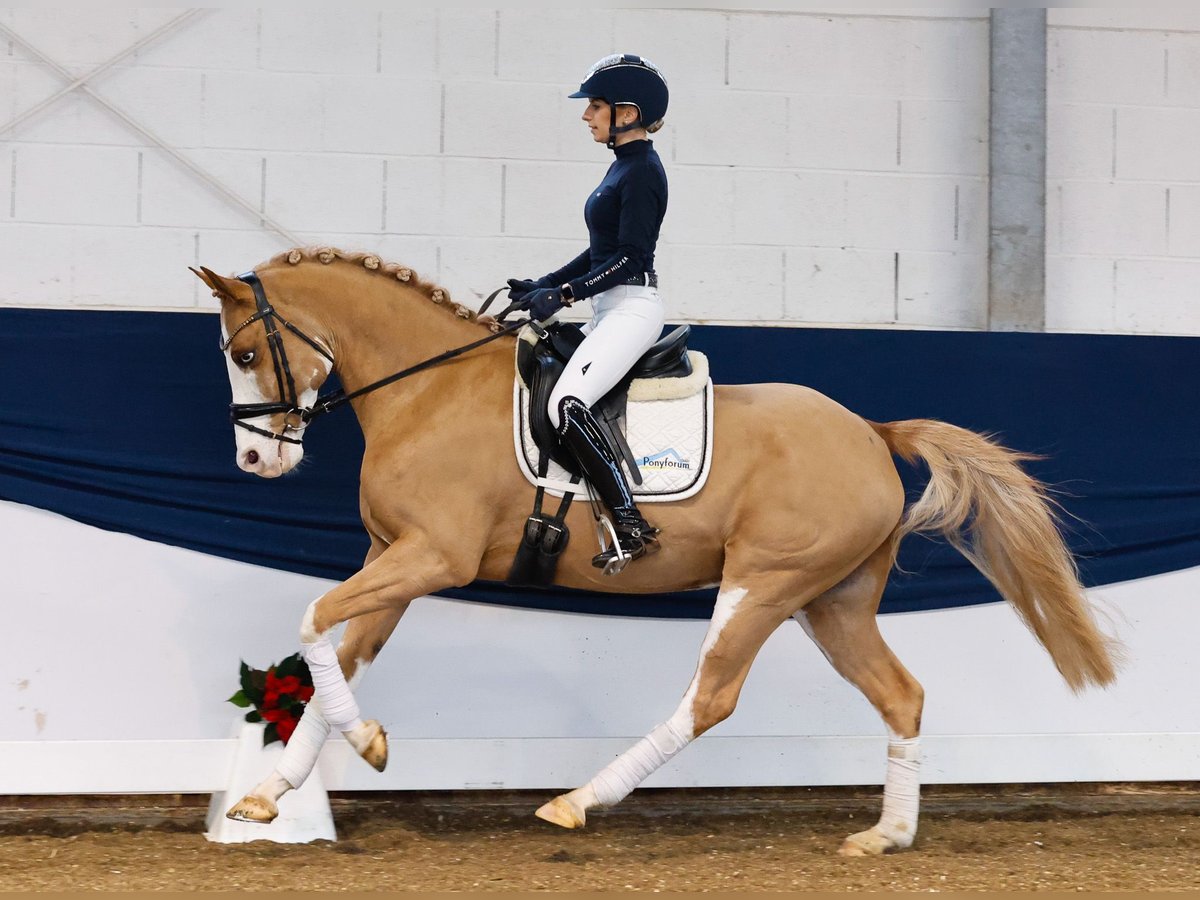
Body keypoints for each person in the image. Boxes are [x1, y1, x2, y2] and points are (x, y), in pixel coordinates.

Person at [508, 53, 669, 571]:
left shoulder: (642, 170)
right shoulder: (621, 167)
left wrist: (567, 295)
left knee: (568, 402)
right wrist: (546, 283)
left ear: (627, 112)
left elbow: (630, 259)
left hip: (633, 308)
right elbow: (602, 252)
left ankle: (629, 525)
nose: (586, 116)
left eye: (595, 106)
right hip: (608, 307)